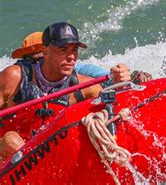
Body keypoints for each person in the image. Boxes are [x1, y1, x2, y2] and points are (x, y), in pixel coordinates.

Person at [0, 22, 131, 160]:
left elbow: (116, 107)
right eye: (63, 49)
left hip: (53, 158)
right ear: (45, 52)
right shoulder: (14, 77)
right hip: (9, 162)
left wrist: (121, 84)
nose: (71, 57)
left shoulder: (83, 86)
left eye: (74, 50)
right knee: (11, 140)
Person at [10, 31, 153, 84]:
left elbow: (109, 80)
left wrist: (133, 77)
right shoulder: (15, 78)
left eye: (42, 57)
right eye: (32, 60)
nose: (39, 64)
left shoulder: (79, 71)